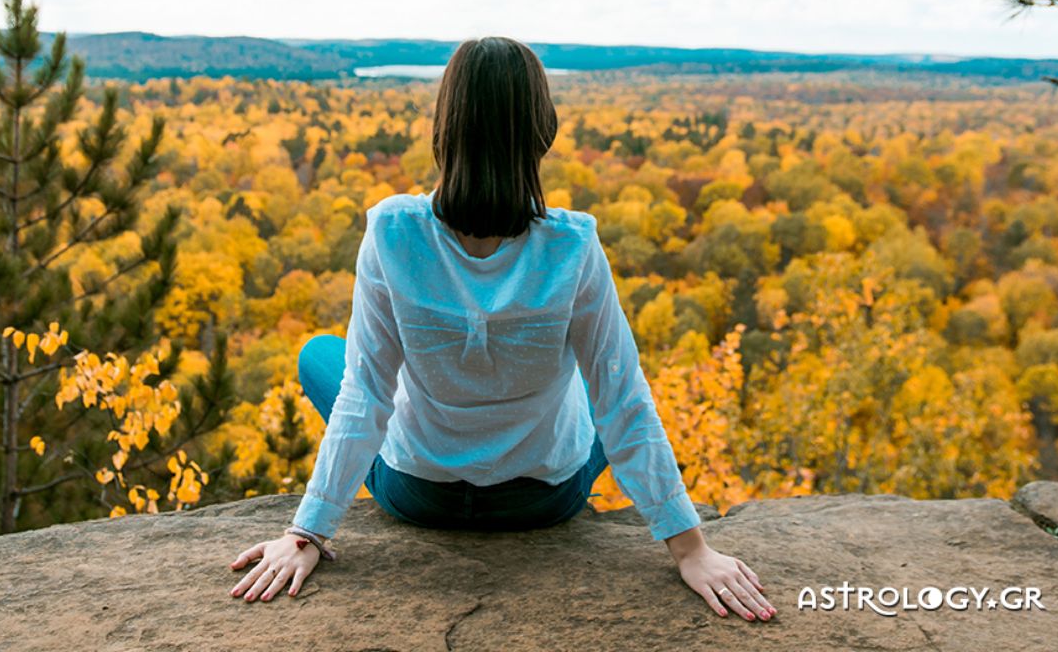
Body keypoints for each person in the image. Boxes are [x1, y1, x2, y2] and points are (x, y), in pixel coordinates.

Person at [229, 36, 775, 622]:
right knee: (601, 385)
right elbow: (622, 401)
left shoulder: (392, 230)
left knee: (321, 355)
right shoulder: (572, 246)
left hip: (416, 494)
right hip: (540, 502)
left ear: (444, 128)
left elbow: (365, 394)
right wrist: (690, 548)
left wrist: (307, 532)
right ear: (541, 132)